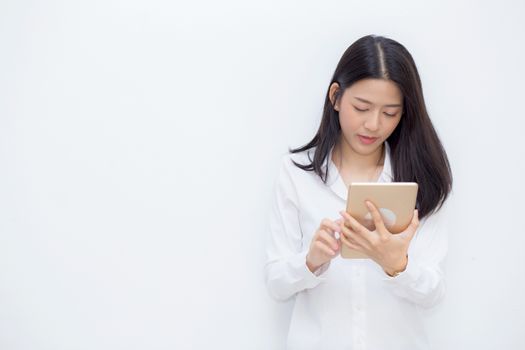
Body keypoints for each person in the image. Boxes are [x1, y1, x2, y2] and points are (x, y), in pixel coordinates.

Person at [264, 34, 453, 350]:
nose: (373, 125)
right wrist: (311, 262)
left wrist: (397, 265)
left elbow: (433, 294)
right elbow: (276, 283)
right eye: (362, 107)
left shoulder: (421, 179)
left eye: (390, 113)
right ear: (336, 97)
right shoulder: (296, 173)